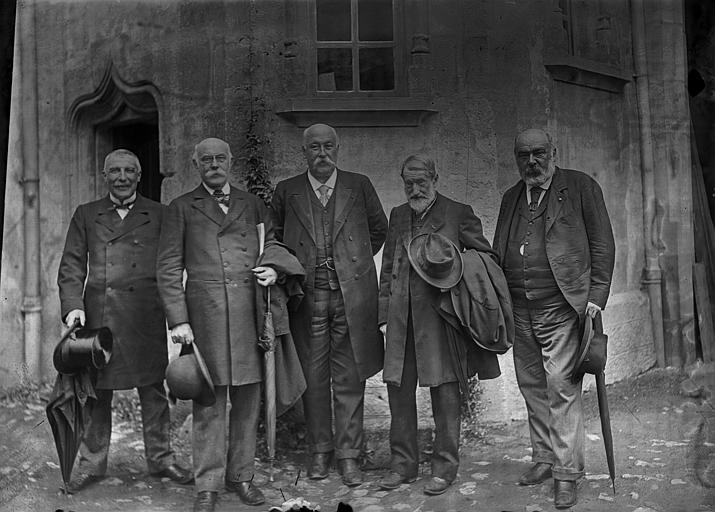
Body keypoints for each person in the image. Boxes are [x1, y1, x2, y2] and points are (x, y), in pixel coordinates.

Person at [493, 128, 615, 509]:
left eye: (539, 153)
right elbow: (499, 249)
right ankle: (544, 459)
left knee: (562, 387)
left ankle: (567, 474)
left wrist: (596, 298)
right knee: (532, 388)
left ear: (553, 152)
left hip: (563, 308)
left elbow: (602, 244)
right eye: (524, 155)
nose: (532, 161)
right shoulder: (511, 197)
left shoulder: (580, 188)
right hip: (520, 310)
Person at [156, 138, 281, 512]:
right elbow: (166, 268)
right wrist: (178, 320)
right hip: (204, 314)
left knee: (247, 398)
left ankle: (240, 476)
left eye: (220, 158)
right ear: (196, 164)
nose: (214, 165)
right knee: (208, 399)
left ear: (231, 161)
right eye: (206, 160)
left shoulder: (252, 203)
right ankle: (207, 485)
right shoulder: (180, 208)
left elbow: (272, 242)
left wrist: (273, 267)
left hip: (248, 311)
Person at [57, 149, 192, 492]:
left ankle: (161, 459)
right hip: (101, 316)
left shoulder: (160, 214)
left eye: (128, 171)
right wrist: (73, 305)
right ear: (105, 176)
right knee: (96, 393)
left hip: (145, 314)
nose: (121, 177)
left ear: (139, 175)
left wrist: (176, 314)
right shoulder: (86, 214)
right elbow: (72, 264)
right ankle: (91, 464)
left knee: (153, 391)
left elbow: (172, 263)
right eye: (114, 171)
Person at [271, 123, 388, 486]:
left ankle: (349, 456)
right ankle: (319, 452)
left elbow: (379, 230)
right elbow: (274, 237)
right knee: (314, 378)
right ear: (303, 152)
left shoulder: (359, 185)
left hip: (351, 297)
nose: (322, 154)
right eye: (314, 148)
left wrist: (351, 264)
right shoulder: (287, 191)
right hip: (306, 298)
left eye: (328, 147)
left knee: (350, 377)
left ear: (338, 149)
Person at [377, 154, 496, 496]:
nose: (415, 190)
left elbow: (485, 259)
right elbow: (387, 268)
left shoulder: (458, 213)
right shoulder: (398, 215)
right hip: (401, 321)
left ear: (435, 179)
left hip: (440, 319)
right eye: (409, 184)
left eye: (421, 183)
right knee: (398, 392)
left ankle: (444, 468)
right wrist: (384, 316)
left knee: (444, 393)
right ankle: (403, 466)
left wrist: (453, 266)